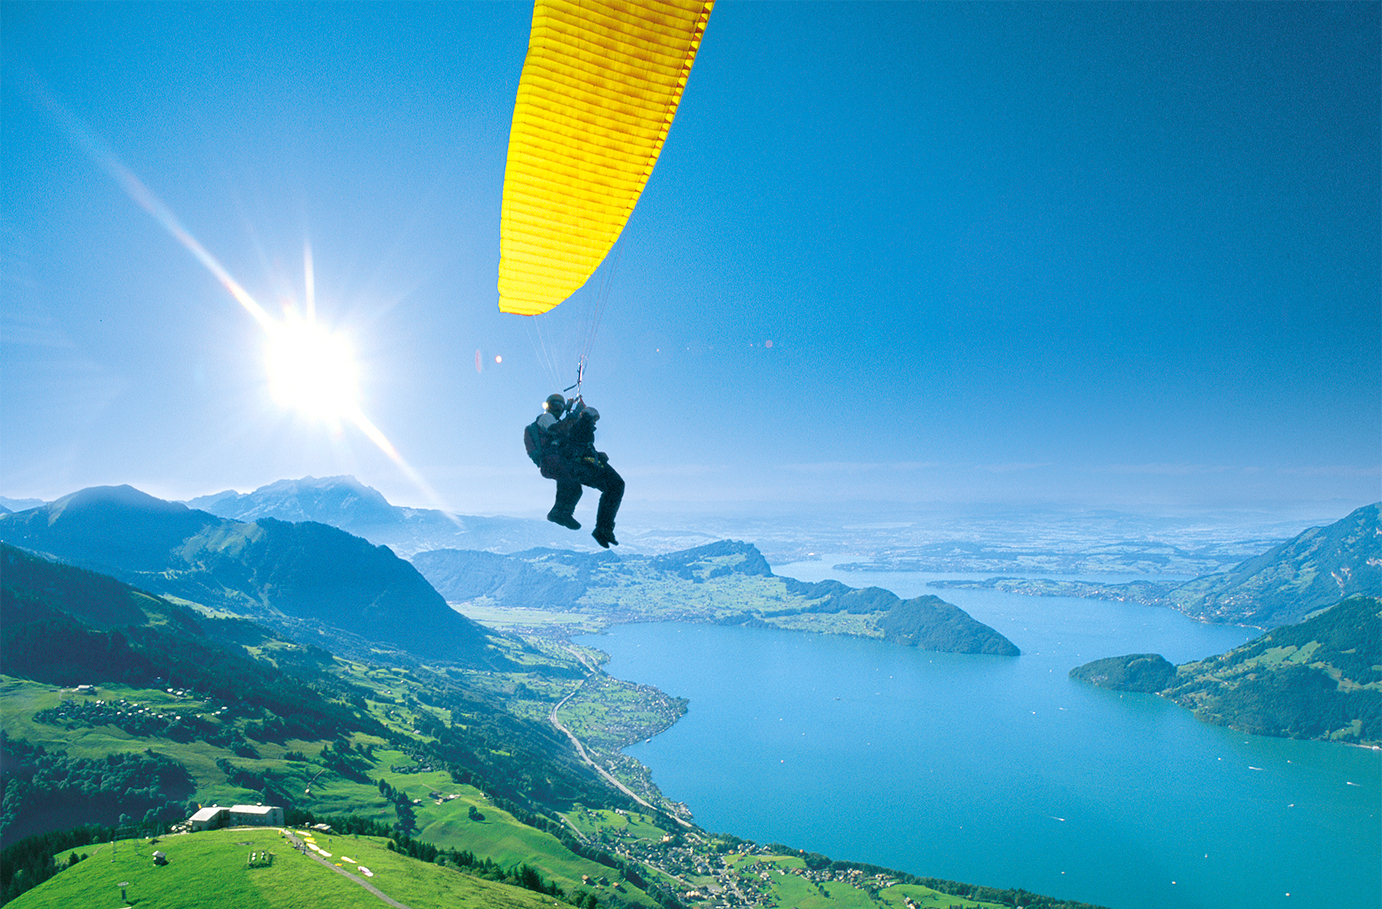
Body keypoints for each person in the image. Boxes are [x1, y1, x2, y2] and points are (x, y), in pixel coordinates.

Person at [527, 393, 624, 548]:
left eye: (560, 404)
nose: (558, 408)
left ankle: (595, 526)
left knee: (608, 486)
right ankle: (599, 527)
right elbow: (558, 430)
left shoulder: (562, 424)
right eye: (554, 405)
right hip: (562, 462)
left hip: (568, 462)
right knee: (611, 485)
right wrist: (575, 414)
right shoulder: (546, 418)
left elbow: (570, 438)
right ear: (547, 406)